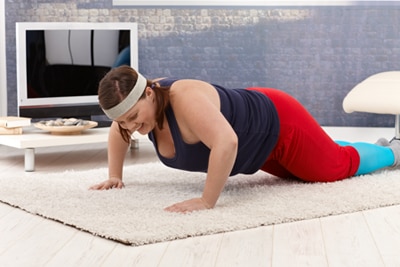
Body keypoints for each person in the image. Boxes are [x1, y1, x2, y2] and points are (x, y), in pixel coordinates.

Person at [90, 65, 400, 213]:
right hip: (258, 146)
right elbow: (118, 132)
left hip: (278, 123)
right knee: (302, 174)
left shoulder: (185, 100)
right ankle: (338, 147)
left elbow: (227, 142)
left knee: (332, 169)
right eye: (123, 121)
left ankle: (393, 151)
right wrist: (114, 176)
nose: (130, 127)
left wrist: (206, 201)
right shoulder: (136, 110)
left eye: (133, 117)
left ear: (148, 93)